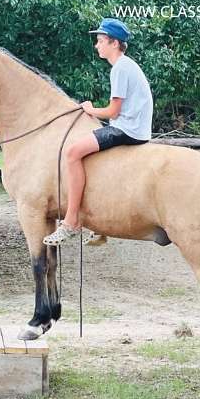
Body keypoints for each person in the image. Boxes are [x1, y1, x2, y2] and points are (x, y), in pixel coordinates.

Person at [43, 18, 154, 246]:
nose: (97, 45)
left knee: (73, 153)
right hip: (130, 126)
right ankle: (99, 224)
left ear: (114, 43)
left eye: (100, 41)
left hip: (127, 130)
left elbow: (113, 110)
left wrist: (90, 109)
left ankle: (71, 221)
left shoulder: (121, 68)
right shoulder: (126, 66)